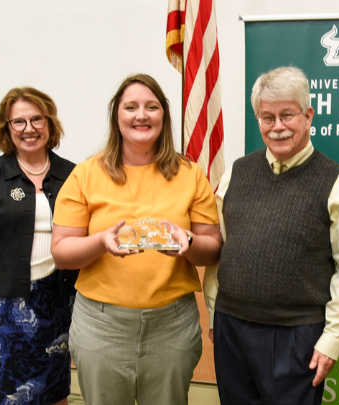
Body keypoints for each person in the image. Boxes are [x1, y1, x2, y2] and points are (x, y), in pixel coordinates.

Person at [51, 73, 222, 405]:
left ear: (164, 116)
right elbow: (61, 253)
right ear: (117, 116)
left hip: (171, 326)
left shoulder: (190, 175)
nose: (141, 115)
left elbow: (212, 248)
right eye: (131, 107)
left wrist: (187, 243)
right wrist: (101, 242)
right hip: (102, 327)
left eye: (151, 107)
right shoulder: (85, 174)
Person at [204, 66, 339, 405]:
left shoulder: (335, 180)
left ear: (308, 115)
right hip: (231, 329)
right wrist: (215, 312)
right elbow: (221, 251)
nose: (278, 127)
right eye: (267, 117)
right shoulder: (237, 172)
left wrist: (333, 337)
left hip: (296, 334)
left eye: (287, 115)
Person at [0, 87, 76, 405]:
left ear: (49, 123)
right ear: (6, 128)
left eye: (37, 119)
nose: (29, 129)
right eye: (18, 122)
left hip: (57, 306)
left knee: (54, 392)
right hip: (1, 313)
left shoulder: (73, 176)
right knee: (2, 396)